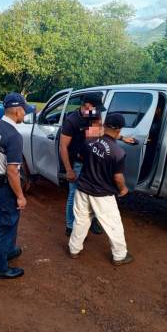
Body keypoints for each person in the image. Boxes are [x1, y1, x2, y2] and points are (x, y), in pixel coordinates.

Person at [59, 93, 134, 236]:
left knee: (93, 191)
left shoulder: (94, 113)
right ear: (87, 105)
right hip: (78, 163)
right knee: (74, 194)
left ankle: (92, 221)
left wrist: (122, 138)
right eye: (95, 107)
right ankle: (70, 225)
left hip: (93, 159)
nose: (98, 111)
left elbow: (100, 132)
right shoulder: (72, 121)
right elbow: (63, 146)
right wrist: (68, 170)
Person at [68, 112, 134, 266]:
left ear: (104, 125)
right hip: (102, 194)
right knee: (113, 224)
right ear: (119, 130)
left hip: (82, 188)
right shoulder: (118, 153)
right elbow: (118, 177)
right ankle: (119, 256)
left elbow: (81, 157)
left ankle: (74, 250)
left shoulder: (89, 142)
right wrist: (123, 189)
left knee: (81, 220)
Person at [0, 92, 32, 280]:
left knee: (9, 218)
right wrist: (20, 196)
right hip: (5, 185)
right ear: (17, 111)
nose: (25, 115)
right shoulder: (14, 136)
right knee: (4, 225)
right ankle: (0, 268)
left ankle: (8, 250)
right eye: (24, 111)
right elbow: (12, 171)